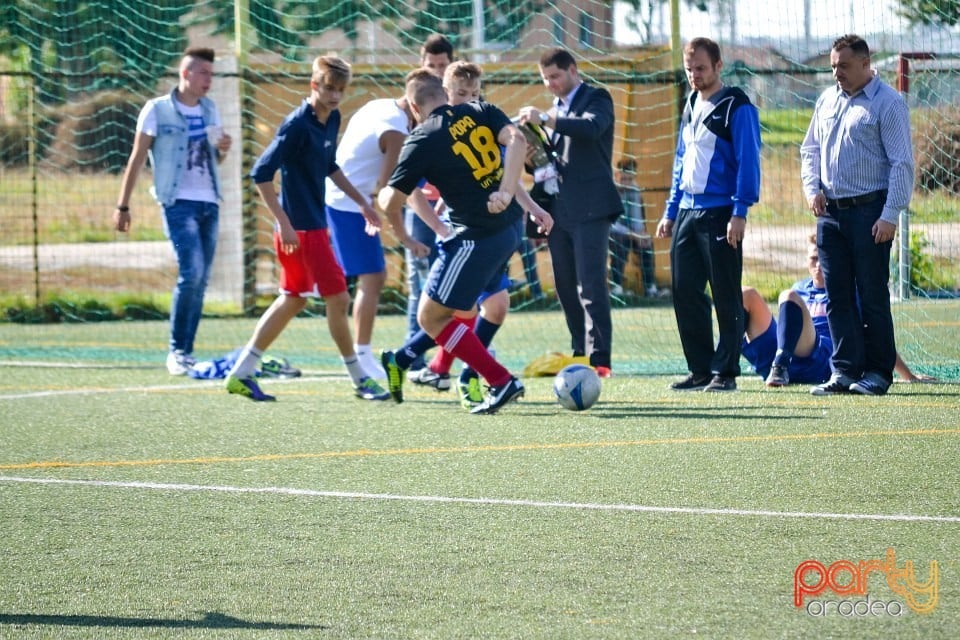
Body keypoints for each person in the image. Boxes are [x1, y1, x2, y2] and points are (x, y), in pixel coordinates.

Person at [224, 55, 401, 402]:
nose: (335, 96)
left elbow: (329, 165)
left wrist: (363, 202)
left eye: (340, 89)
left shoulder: (331, 118)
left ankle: (241, 373)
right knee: (338, 297)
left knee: (293, 301)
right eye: (329, 88)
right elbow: (260, 173)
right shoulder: (295, 126)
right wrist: (284, 223)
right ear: (314, 85)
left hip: (313, 227)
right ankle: (359, 377)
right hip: (301, 232)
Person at [377, 69, 551, 415]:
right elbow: (517, 141)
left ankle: (497, 380)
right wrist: (505, 192)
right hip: (508, 230)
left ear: (413, 105)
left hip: (474, 239)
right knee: (466, 309)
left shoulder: (422, 138)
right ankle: (431, 366)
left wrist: (382, 191)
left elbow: (390, 203)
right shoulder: (481, 110)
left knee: (431, 317)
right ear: (444, 92)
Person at [800, 34, 914, 397]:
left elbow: (902, 164)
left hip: (871, 214)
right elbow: (810, 150)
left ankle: (879, 373)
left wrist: (890, 214)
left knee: (872, 295)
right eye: (834, 66)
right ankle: (844, 371)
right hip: (830, 215)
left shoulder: (888, 103)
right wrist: (811, 189)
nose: (838, 73)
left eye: (844, 66)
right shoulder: (826, 99)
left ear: (866, 63)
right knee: (837, 296)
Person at [114, 47, 232, 376]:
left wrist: (223, 150)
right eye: (203, 73)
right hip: (177, 203)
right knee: (191, 273)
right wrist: (123, 205)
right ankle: (177, 351)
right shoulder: (157, 109)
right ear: (185, 74)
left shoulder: (210, 109)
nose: (209, 80)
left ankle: (187, 351)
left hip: (210, 202)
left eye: (211, 73)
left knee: (201, 279)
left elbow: (214, 159)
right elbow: (137, 158)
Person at [656, 37, 762, 393]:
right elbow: (681, 161)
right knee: (684, 291)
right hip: (687, 211)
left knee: (726, 292)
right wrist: (670, 211)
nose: (694, 76)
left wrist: (740, 211)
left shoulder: (737, 105)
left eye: (700, 68)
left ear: (719, 66)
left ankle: (726, 371)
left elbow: (748, 161)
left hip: (721, 213)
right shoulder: (689, 103)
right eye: (689, 69)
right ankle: (699, 369)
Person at [518, 48, 622, 378]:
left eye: (556, 76)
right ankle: (580, 351)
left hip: (592, 207)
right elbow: (547, 164)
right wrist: (529, 153)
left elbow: (591, 129)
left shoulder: (597, 97)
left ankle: (600, 359)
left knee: (591, 285)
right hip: (558, 210)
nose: (550, 83)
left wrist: (545, 120)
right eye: (545, 78)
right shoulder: (554, 110)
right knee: (564, 285)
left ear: (573, 70)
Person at [741, 233, 934, 387]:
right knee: (746, 294)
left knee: (787, 296)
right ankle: (722, 365)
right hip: (781, 356)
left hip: (818, 359)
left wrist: (907, 375)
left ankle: (780, 365)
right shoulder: (800, 287)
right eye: (813, 259)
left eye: (821, 259)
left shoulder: (846, 291)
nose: (817, 265)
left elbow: (873, 335)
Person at [324, 92, 414, 379]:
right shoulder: (397, 131)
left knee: (358, 280)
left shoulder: (380, 104)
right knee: (371, 278)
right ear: (416, 105)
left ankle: (359, 353)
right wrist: (406, 238)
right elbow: (388, 191)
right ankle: (360, 355)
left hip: (341, 197)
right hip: (348, 204)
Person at [403, 34, 455, 376]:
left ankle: (451, 356)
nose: (437, 72)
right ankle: (414, 355)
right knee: (420, 283)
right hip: (420, 207)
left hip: (454, 207)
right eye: (431, 66)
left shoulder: (463, 101)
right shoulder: (412, 106)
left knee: (454, 284)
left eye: (442, 65)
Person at [609, 156, 658, 298]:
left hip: (630, 233)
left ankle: (650, 288)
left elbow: (637, 218)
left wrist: (641, 234)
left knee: (646, 244)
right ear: (616, 175)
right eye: (624, 179)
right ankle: (616, 288)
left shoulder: (634, 189)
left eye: (630, 179)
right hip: (609, 233)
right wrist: (633, 234)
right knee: (620, 241)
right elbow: (611, 224)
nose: (627, 183)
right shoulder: (609, 190)